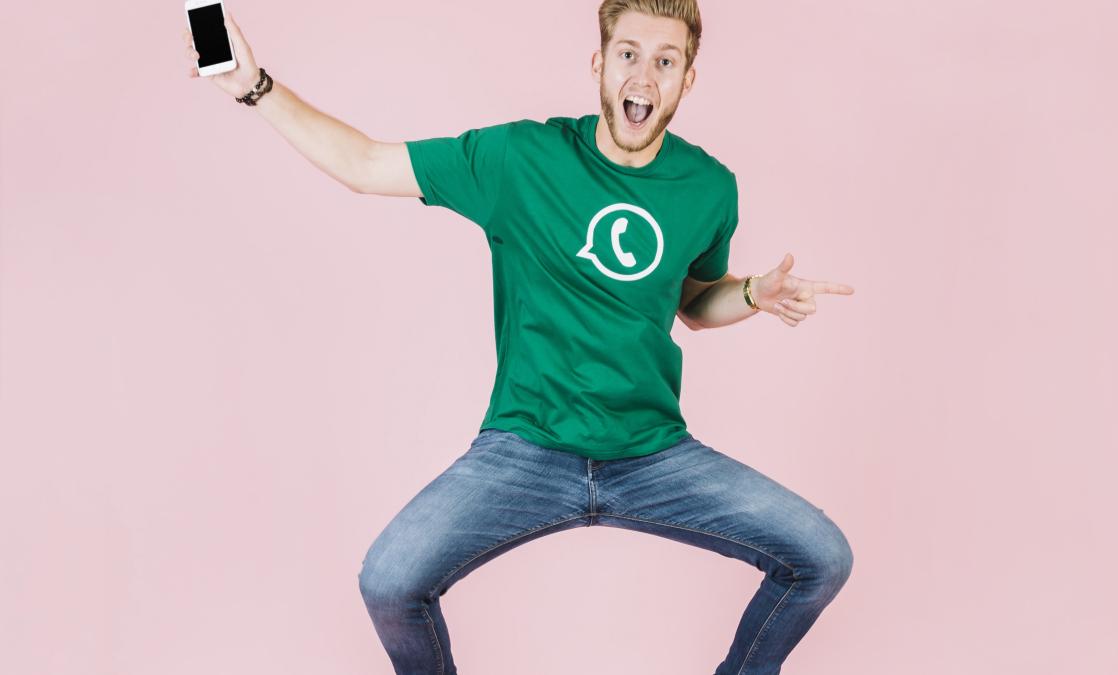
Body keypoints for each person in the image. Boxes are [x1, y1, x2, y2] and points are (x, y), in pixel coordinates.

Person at [185, 1, 856, 673]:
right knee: (389, 580)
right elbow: (364, 163)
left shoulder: (709, 187)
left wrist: (750, 294)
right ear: (599, 64)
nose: (644, 75)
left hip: (654, 455)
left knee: (821, 554)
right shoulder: (519, 158)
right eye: (628, 54)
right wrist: (256, 88)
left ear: (687, 79)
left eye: (665, 60)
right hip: (525, 451)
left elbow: (690, 301)